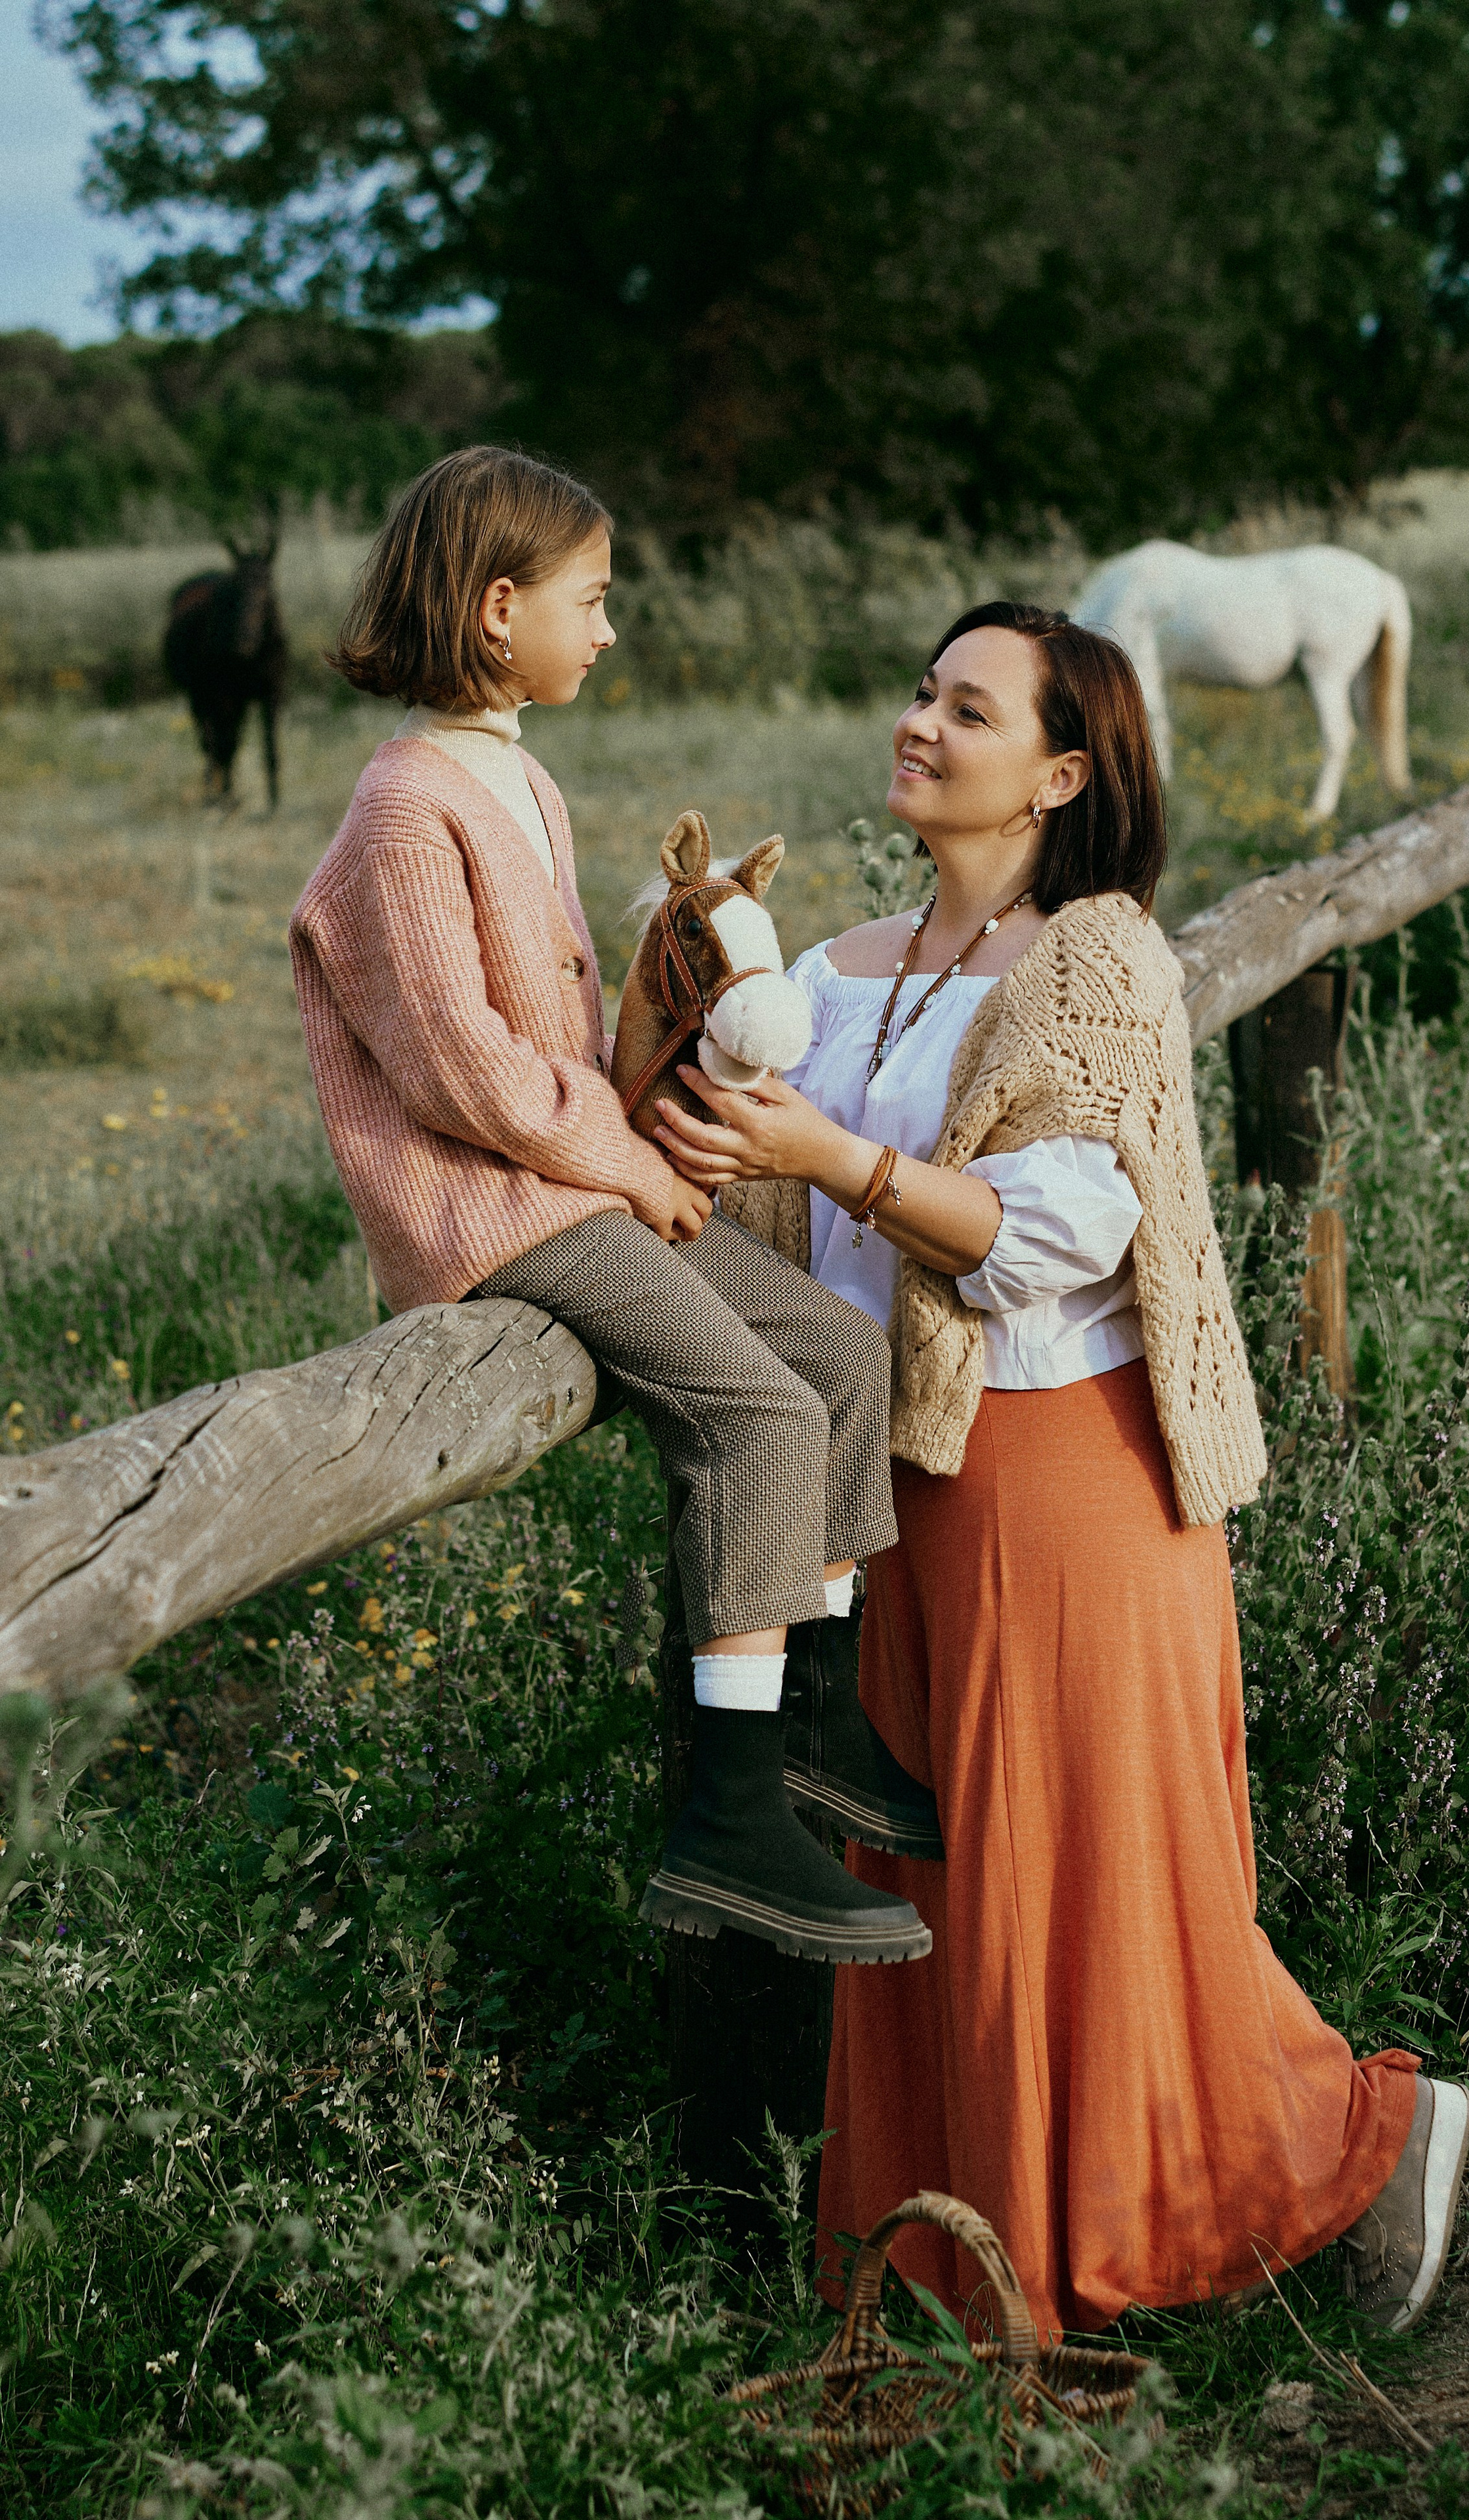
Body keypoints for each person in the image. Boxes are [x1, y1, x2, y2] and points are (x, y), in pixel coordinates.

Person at [650, 600, 1469, 2340]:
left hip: (1065, 1470)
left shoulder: (1095, 958)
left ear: (1063, 769)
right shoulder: (837, 970)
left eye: (969, 706)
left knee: (1087, 1892)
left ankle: (1355, 2137)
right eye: (919, 693)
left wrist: (829, 1160)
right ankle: (961, 2292)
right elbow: (736, 1176)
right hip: (894, 1492)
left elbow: (1053, 1234)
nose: (921, 724)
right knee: (935, 1897)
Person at [287, 444, 931, 1969]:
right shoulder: (401, 811)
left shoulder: (519, 774)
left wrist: (662, 1118)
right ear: (498, 610)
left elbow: (565, 1046)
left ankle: (810, 1723)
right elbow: (464, 1073)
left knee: (839, 1359)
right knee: (759, 1415)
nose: (611, 628)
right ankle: (724, 1821)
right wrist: (634, 1163)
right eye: (593, 600)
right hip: (490, 1208)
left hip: (568, 1175)